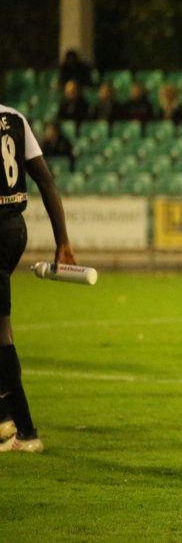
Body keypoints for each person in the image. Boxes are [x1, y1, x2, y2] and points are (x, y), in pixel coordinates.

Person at [0, 103, 78, 452]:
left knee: (2, 332)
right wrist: (62, 242)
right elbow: (46, 180)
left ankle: (26, 433)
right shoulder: (14, 117)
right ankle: (4, 418)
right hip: (15, 229)